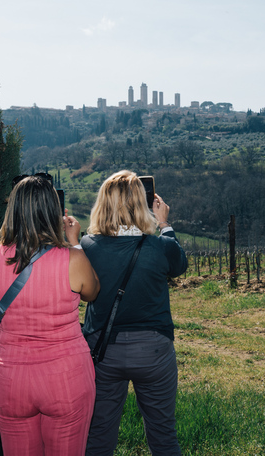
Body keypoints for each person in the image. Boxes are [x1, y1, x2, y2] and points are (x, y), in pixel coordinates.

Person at [70, 170, 187, 456]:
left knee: (98, 434)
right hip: (154, 351)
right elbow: (179, 264)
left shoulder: (87, 247)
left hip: (103, 351)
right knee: (163, 434)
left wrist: (73, 242)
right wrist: (164, 223)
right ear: (142, 203)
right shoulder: (160, 246)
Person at [0, 174, 100, 455]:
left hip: (11, 378)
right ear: (55, 212)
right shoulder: (72, 259)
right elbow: (93, 292)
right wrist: (74, 243)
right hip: (65, 377)